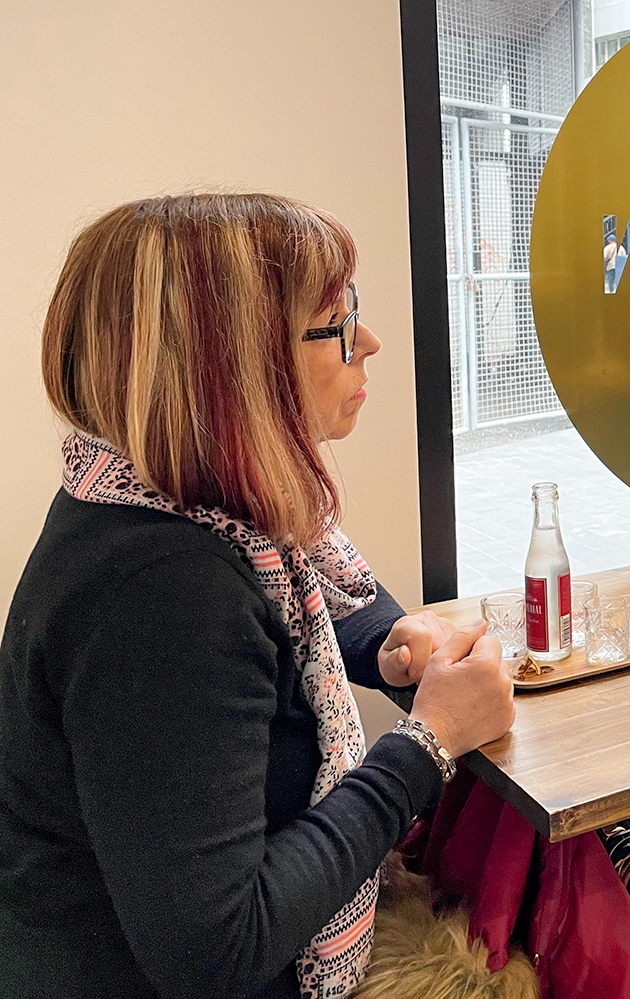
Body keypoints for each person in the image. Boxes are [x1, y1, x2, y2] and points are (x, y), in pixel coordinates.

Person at [0, 193, 518, 998]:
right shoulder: (167, 593)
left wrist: (387, 643)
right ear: (234, 364)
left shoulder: (166, 501)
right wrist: (429, 745)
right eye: (338, 322)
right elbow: (217, 951)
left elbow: (327, 611)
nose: (369, 341)